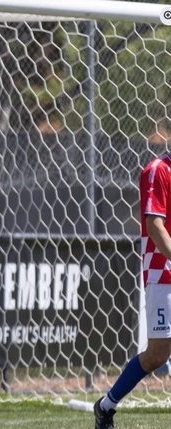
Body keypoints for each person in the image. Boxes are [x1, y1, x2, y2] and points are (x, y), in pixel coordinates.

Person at [94, 153, 171, 429]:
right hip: (163, 275)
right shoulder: (157, 170)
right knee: (157, 355)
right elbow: (154, 226)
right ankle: (106, 405)